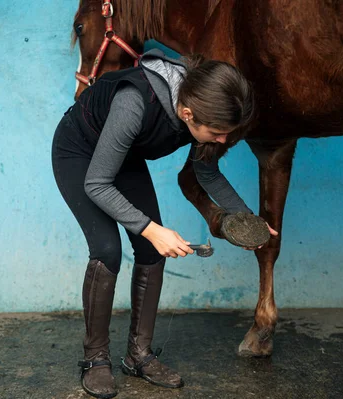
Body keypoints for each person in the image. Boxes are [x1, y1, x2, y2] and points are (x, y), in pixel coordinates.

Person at [52, 49, 275, 399]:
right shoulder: (133, 103)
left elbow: (206, 171)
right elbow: (96, 183)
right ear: (187, 114)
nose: (222, 141)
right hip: (80, 153)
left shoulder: (202, 105)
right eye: (217, 134)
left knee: (150, 252)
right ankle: (95, 359)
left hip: (121, 156)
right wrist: (153, 229)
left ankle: (138, 356)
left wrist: (247, 219)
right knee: (108, 250)